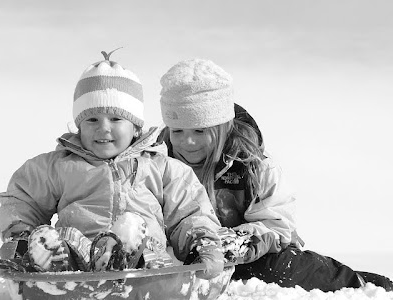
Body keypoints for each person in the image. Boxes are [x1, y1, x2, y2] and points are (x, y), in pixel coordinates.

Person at [157, 58, 393, 291]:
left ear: (223, 126)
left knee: (282, 268)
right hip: (185, 257)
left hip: (249, 257)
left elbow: (277, 224)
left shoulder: (251, 166)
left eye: (200, 130)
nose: (188, 141)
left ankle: (364, 286)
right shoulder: (157, 164)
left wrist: (236, 242)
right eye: (177, 131)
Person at [0, 50, 224, 280]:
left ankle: (123, 258)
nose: (103, 128)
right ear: (79, 127)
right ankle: (54, 265)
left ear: (135, 127)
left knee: (133, 227)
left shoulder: (161, 168)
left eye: (116, 119)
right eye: (92, 119)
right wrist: (22, 239)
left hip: (145, 258)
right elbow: (23, 199)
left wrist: (202, 243)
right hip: (79, 262)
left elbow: (190, 211)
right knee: (63, 237)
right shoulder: (60, 166)